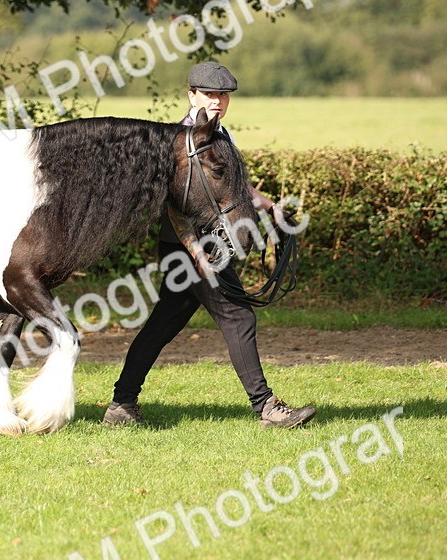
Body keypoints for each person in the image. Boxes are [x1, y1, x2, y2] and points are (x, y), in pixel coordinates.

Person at [103, 61, 316, 428]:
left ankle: (121, 405)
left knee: (162, 326)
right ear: (192, 95)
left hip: (200, 247)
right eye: (210, 94)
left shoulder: (218, 134)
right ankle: (266, 407)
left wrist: (269, 207)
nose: (218, 101)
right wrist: (196, 251)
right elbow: (175, 205)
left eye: (223, 95)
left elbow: (230, 187)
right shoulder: (182, 140)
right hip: (192, 247)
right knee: (238, 316)